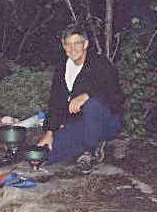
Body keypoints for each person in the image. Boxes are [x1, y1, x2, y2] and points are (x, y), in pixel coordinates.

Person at [38, 25, 124, 173]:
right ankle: (89, 143)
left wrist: (87, 95)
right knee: (44, 156)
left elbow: (116, 95)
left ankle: (90, 151)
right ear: (64, 47)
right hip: (82, 124)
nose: (72, 48)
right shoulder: (62, 69)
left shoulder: (100, 64)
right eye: (68, 44)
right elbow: (55, 102)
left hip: (107, 122)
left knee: (92, 104)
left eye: (77, 43)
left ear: (85, 44)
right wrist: (50, 131)